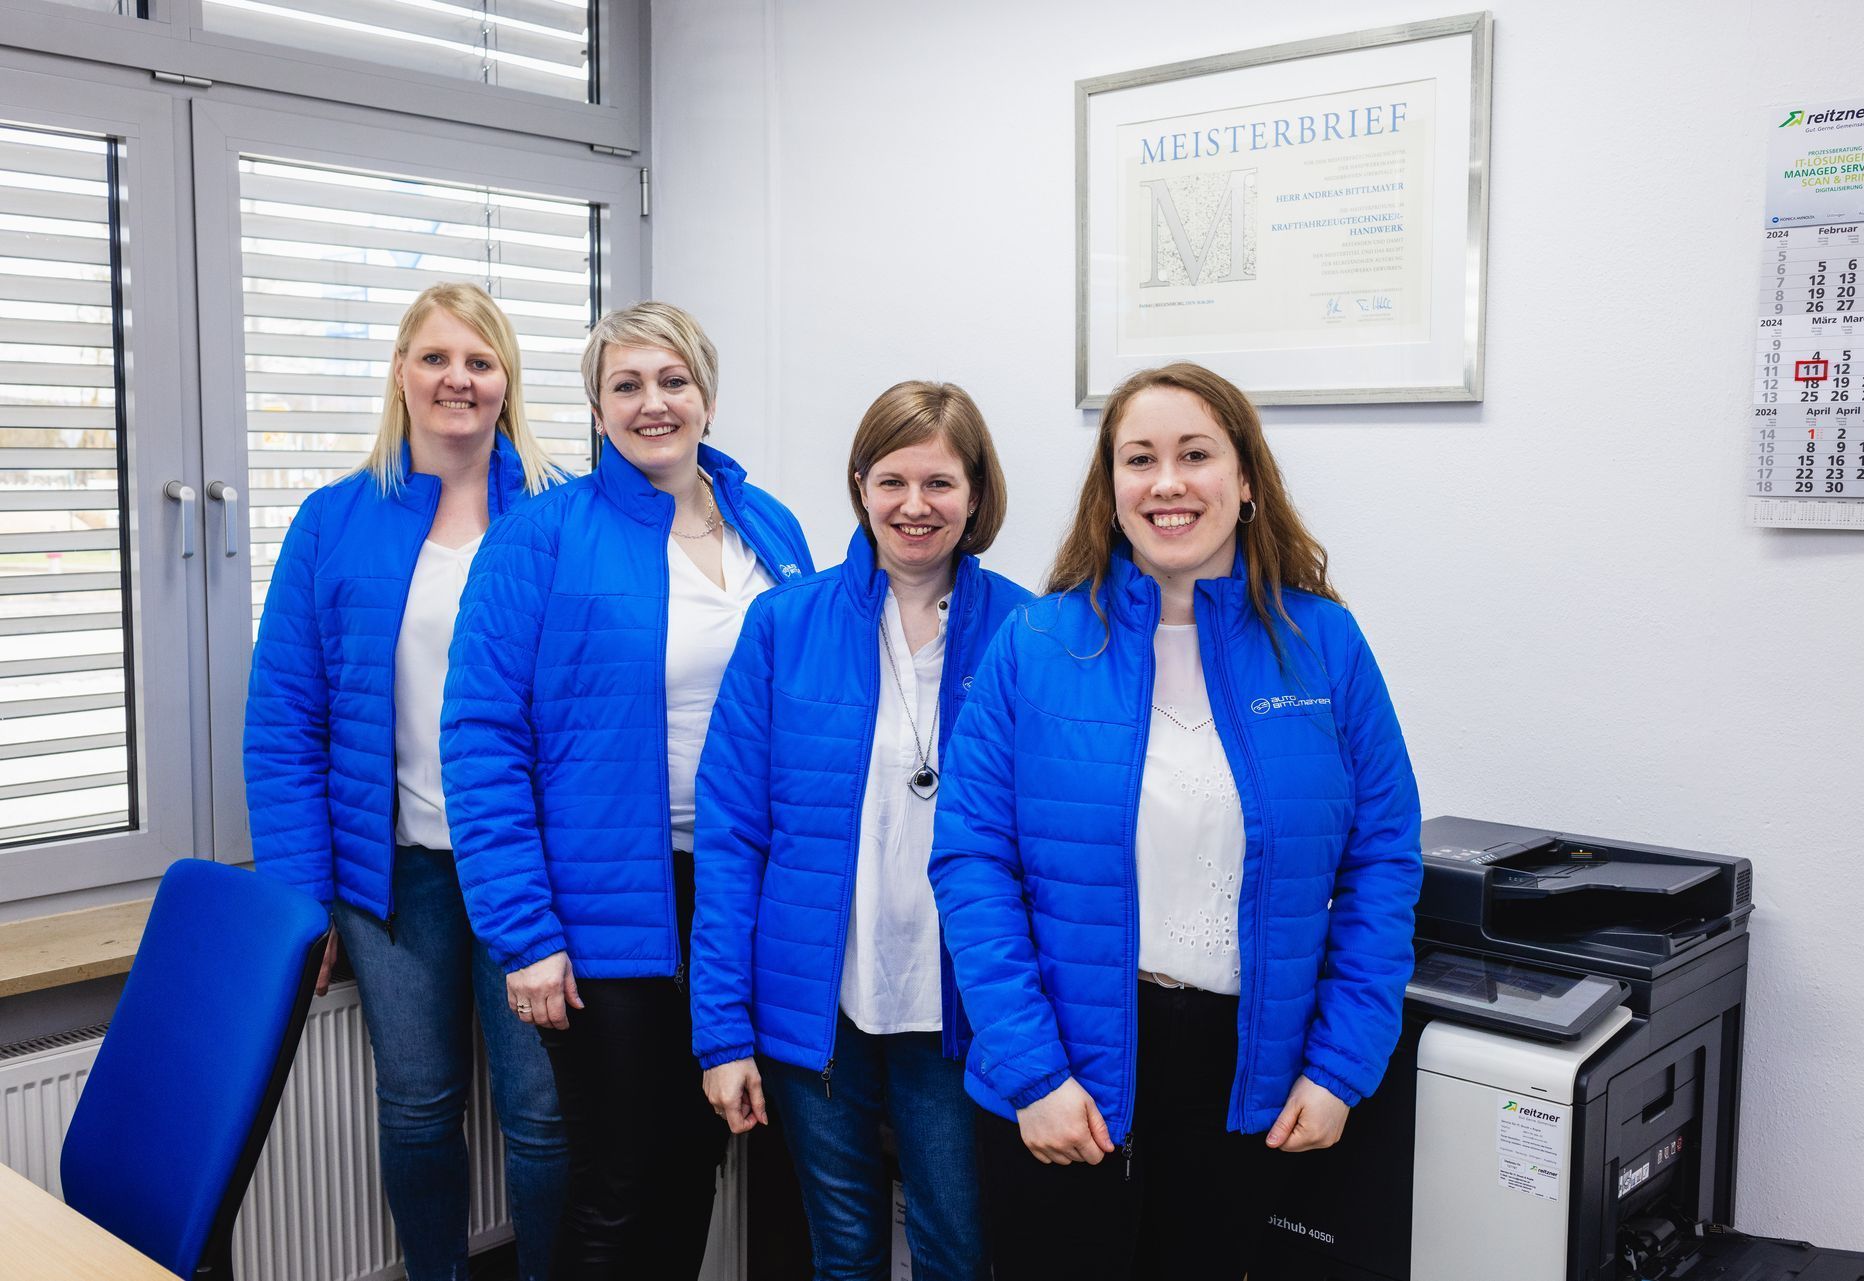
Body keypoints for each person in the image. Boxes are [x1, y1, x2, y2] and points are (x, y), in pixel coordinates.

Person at [928, 361, 1422, 1280]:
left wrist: (1341, 1064)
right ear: (1110, 490)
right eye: (1138, 458)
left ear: (1244, 479)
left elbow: (1383, 861)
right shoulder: (1035, 646)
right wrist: (1033, 1074)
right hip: (1062, 1067)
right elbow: (970, 863)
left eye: (1195, 454)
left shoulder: (1325, 646)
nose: (1167, 482)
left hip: (1246, 1078)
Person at [440, 301, 814, 1279]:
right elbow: (481, 740)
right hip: (609, 912)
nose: (654, 403)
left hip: (745, 897)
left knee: (700, 1157)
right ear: (596, 409)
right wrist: (525, 934)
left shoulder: (769, 527)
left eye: (673, 380)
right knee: (620, 1173)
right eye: (627, 385)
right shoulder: (543, 538)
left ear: (708, 393)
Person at [245, 280, 570, 1281]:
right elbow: (285, 722)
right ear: (400, 373)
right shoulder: (334, 521)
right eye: (435, 358)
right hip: (395, 878)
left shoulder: (562, 520)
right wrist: (304, 904)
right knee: (419, 1111)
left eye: (479, 360)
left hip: (530, 874)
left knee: (545, 1120)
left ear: (507, 380)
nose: (457, 380)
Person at [694, 382, 1030, 1281]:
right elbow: (732, 836)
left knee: (959, 1250)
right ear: (859, 484)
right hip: (818, 1006)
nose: (915, 506)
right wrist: (722, 1035)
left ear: (976, 491)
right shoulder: (785, 624)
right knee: (841, 1251)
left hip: (957, 1011)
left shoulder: (1029, 633)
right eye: (892, 480)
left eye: (940, 482)